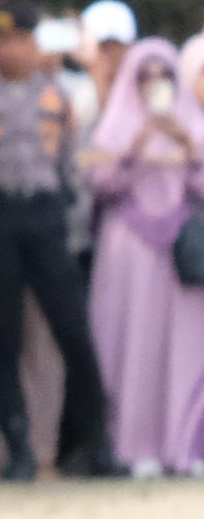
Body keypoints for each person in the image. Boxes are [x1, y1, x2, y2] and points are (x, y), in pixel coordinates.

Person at [0, 10, 117, 480]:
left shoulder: (55, 96)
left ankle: (100, 441)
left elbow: (68, 164)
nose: (12, 49)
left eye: (21, 39)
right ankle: (17, 447)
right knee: (3, 334)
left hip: (43, 214)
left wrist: (65, 213)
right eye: (4, 40)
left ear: (35, 45)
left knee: (73, 329)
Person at [83, 39, 204, 475]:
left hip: (179, 251)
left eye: (165, 75)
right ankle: (132, 446)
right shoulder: (113, 127)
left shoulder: (194, 124)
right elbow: (99, 183)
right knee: (132, 345)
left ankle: (184, 444)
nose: (155, 84)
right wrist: (136, 148)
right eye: (145, 76)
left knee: (183, 349)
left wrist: (187, 146)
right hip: (129, 250)